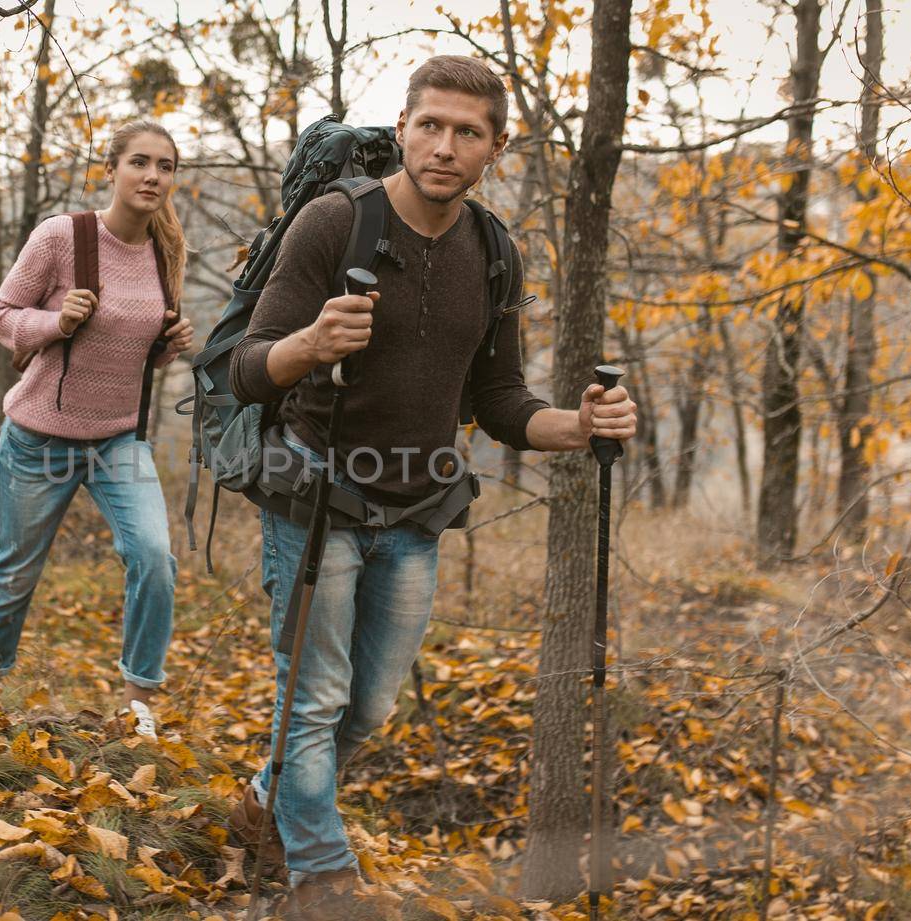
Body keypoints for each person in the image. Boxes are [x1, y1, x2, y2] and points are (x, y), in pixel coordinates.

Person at [224, 56, 638, 917]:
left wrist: (579, 426)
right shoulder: (332, 224)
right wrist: (311, 345)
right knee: (313, 702)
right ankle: (323, 878)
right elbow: (245, 369)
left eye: (467, 132)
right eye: (430, 125)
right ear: (403, 126)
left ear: (496, 145)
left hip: (416, 510)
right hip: (316, 500)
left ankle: (267, 802)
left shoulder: (494, 251)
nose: (444, 146)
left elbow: (497, 399)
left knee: (367, 708)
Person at [0, 120, 195, 739]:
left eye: (166, 166)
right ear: (113, 169)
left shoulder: (166, 251)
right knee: (18, 566)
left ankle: (140, 698)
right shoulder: (63, 238)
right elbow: (0, 316)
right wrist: (54, 322)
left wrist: (166, 346)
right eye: (140, 163)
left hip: (118, 439)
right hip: (40, 437)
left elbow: (130, 347)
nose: (153, 176)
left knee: (154, 556)